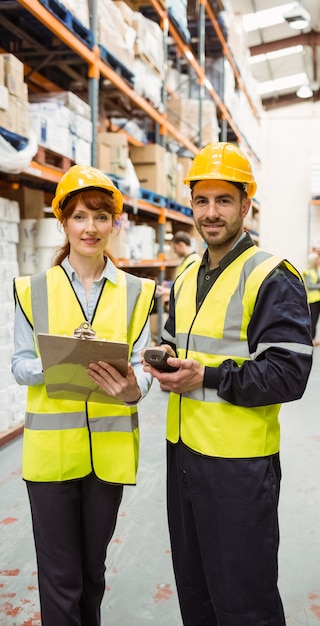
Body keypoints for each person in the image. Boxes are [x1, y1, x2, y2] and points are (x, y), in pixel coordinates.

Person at [143, 142, 313, 626]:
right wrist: (163, 361)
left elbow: (289, 373)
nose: (210, 213)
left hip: (238, 465)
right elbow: (177, 343)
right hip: (183, 453)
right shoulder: (186, 273)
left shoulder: (272, 277)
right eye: (201, 200)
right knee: (194, 590)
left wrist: (209, 375)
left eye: (223, 200)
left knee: (243, 600)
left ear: (246, 205)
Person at [12, 164, 155, 626]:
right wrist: (59, 362)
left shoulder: (138, 292)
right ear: (63, 222)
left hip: (109, 453)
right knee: (60, 577)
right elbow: (18, 364)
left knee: (92, 572)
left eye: (99, 216)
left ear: (115, 223)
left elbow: (142, 365)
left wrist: (136, 387)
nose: (89, 227)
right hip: (51, 455)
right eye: (78, 216)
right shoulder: (32, 290)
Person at [303, 251, 320, 346]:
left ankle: (313, 339)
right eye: (317, 259)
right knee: (312, 320)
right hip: (313, 299)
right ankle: (309, 339)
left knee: (316, 319)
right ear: (313, 261)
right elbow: (310, 286)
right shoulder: (307, 272)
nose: (319, 260)